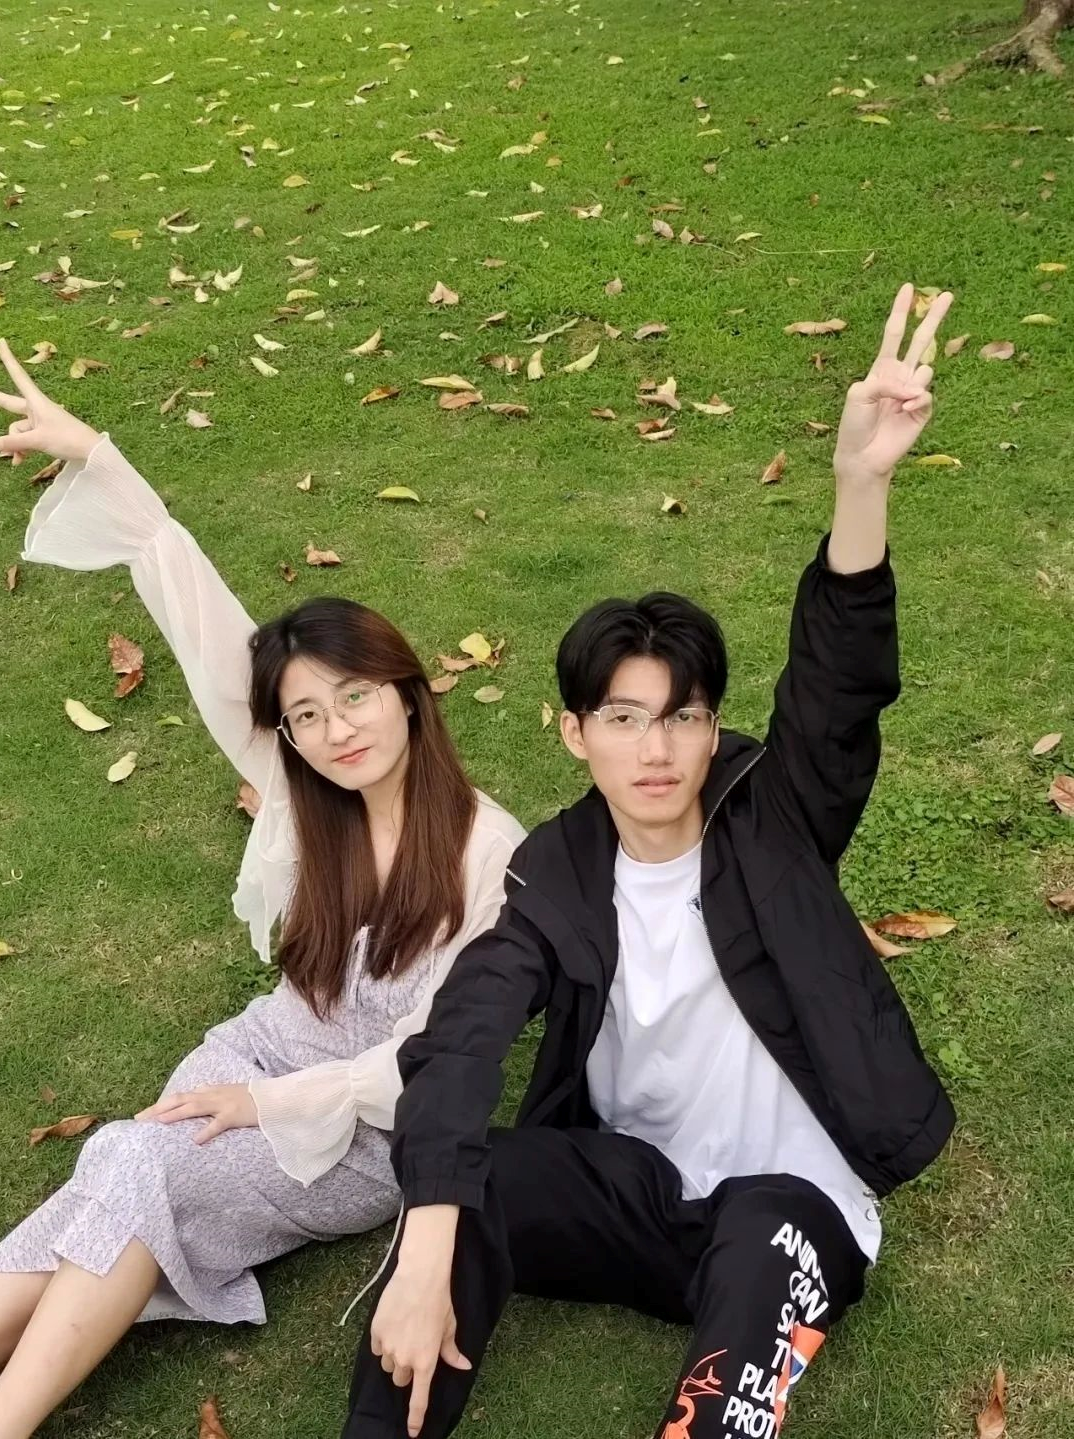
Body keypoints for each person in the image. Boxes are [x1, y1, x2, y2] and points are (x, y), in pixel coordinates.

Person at [344, 284, 959, 1439]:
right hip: (638, 1191)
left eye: (681, 716)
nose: (657, 749)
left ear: (714, 727)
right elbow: (464, 1037)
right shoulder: (556, 873)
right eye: (623, 719)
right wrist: (426, 1245)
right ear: (574, 733)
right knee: (477, 1183)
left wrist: (859, 483)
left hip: (793, 1209)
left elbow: (838, 689)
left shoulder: (774, 814)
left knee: (764, 1235)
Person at [0, 339, 525, 1439]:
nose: (336, 731)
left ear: (410, 691)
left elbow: (432, 1062)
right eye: (307, 715)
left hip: (361, 1131)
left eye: (355, 696)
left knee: (131, 1163)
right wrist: (99, 455)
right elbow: (197, 614)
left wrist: (261, 1106)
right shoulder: (304, 792)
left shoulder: (490, 852)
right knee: (116, 1179)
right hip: (256, 1050)